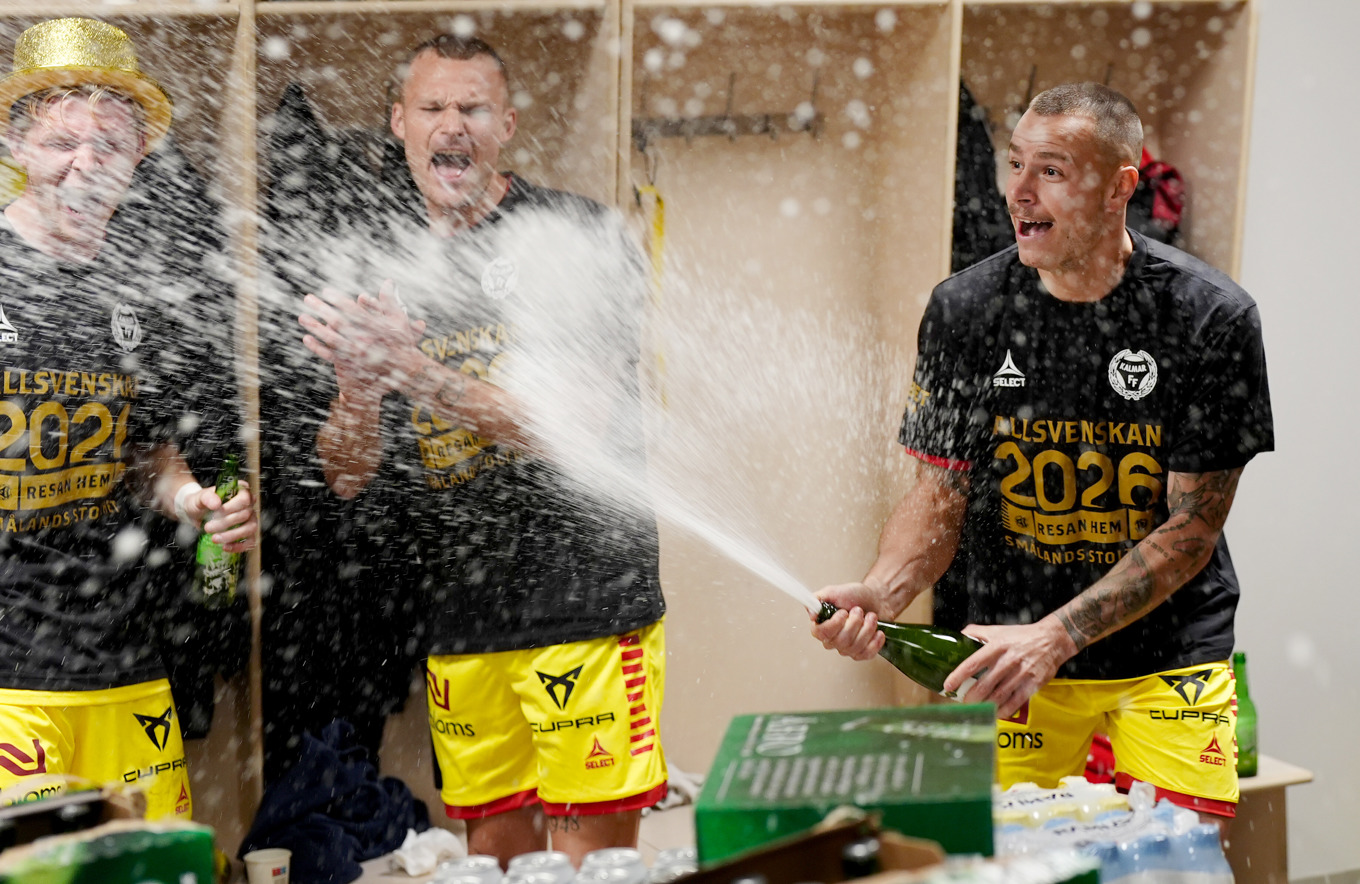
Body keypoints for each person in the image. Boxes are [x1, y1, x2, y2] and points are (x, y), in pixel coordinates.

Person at [812, 82, 1272, 830]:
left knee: (1174, 864)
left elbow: (1192, 529)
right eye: (1016, 164)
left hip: (1168, 658)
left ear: (1122, 185)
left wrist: (1057, 636)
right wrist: (884, 592)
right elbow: (938, 497)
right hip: (1006, 655)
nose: (1017, 192)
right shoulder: (965, 311)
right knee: (1007, 863)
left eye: (1051, 171)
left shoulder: (1208, 317)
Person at [296, 35, 667, 866]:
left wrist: (415, 371)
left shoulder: (576, 234)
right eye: (432, 108)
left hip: (585, 602)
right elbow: (346, 475)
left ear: (506, 124)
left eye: (471, 109)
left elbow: (571, 419)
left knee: (589, 865)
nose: (451, 126)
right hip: (460, 611)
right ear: (400, 123)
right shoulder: (384, 263)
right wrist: (360, 385)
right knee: (497, 860)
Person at [0, 17, 257, 820]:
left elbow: (148, 455)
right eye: (61, 142)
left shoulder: (144, 295)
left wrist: (193, 502)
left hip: (128, 658)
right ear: (16, 144)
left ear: (138, 155)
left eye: (109, 145)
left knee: (156, 866)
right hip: (9, 675)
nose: (85, 166)